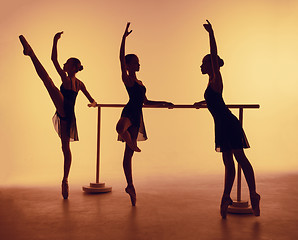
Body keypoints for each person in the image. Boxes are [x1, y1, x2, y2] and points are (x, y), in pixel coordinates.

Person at [194, 20, 260, 218]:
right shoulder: (211, 83)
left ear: (210, 64)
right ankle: (225, 197)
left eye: (203, 63)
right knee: (228, 163)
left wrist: (211, 33)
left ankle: (254, 195)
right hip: (221, 125)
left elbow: (214, 54)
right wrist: (202, 103)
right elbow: (217, 101)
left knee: (240, 159)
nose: (200, 65)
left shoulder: (216, 77)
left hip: (228, 124)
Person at [19, 33, 97, 199]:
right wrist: (55, 41)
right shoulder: (70, 80)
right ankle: (30, 53)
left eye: (67, 63)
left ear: (74, 67)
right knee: (48, 82)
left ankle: (65, 179)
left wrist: (93, 103)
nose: (63, 64)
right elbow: (54, 60)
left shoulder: (75, 82)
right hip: (64, 111)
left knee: (65, 149)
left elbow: (91, 98)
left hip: (67, 114)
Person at [116, 23, 173, 206]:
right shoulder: (127, 79)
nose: (139, 63)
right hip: (129, 112)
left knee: (128, 156)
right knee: (119, 128)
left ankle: (130, 186)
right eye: (136, 61)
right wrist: (123, 38)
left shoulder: (140, 82)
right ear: (129, 65)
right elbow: (119, 60)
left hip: (137, 116)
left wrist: (165, 103)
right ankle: (130, 142)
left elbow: (146, 102)